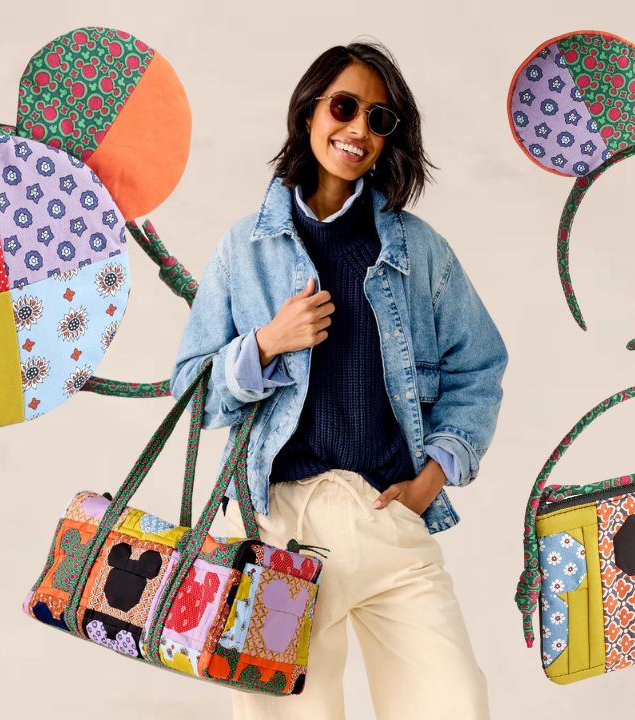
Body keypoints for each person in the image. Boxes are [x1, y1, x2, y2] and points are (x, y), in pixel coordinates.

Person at [171, 40, 507, 719]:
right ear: (308, 113)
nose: (357, 129)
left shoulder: (417, 249)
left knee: (453, 702)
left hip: (389, 520)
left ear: (389, 141)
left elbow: (481, 366)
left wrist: (431, 479)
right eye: (344, 107)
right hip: (275, 524)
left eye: (378, 120)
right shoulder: (245, 247)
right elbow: (192, 391)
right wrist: (266, 344)